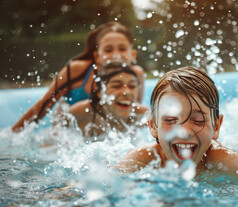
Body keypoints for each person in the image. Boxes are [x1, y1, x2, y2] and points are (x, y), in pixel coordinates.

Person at [115, 66, 238, 177]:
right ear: (153, 125)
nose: (184, 131)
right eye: (170, 120)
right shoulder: (144, 158)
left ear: (216, 127)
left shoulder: (221, 160)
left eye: (198, 120)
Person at [12, 21, 144, 132]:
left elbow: (129, 116)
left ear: (133, 55)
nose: (116, 55)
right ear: (97, 56)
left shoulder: (136, 75)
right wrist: (13, 134)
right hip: (67, 133)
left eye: (122, 49)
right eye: (108, 50)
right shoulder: (76, 70)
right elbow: (44, 104)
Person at [65, 61, 149, 137]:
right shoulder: (78, 113)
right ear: (99, 91)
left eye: (132, 86)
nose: (126, 92)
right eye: (116, 86)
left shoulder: (143, 116)